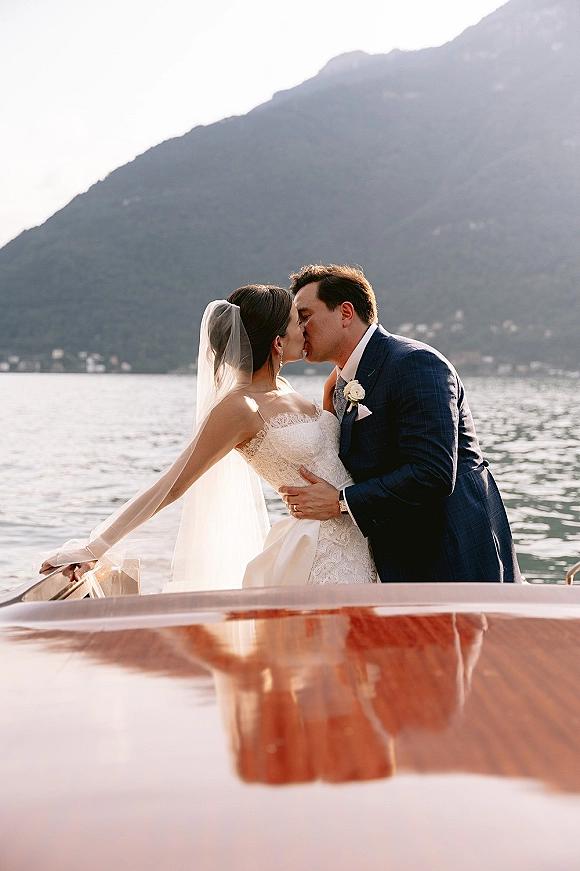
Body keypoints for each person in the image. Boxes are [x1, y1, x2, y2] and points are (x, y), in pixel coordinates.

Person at [40, 285, 376, 589]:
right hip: (319, 553)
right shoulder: (240, 407)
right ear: (277, 343)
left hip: (357, 536)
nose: (304, 329)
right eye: (296, 322)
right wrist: (95, 546)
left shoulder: (290, 389)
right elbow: (172, 484)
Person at [280, 264, 522, 584]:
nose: (299, 328)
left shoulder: (415, 363)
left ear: (346, 312)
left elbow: (432, 472)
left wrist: (340, 502)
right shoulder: (341, 384)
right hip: (397, 558)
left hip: (452, 554)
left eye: (305, 315)